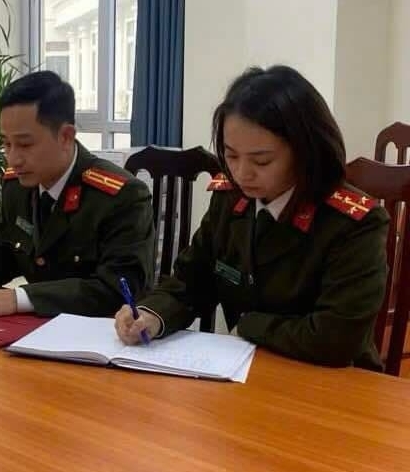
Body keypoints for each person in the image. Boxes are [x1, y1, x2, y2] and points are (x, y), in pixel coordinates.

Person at [115, 65, 389, 369]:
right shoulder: (230, 198)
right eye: (231, 155)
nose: (242, 173)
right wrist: (152, 314)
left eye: (262, 161)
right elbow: (191, 281)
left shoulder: (353, 223)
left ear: (305, 152)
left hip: (332, 380)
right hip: (248, 369)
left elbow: (335, 338)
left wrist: (249, 324)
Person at [0, 71, 155, 320]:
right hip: (36, 328)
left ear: (65, 137)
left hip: (102, 334)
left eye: (25, 144)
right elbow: (1, 252)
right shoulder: (17, 185)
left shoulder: (120, 196)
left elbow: (117, 291)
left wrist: (20, 298)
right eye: (6, 144)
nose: (13, 159)